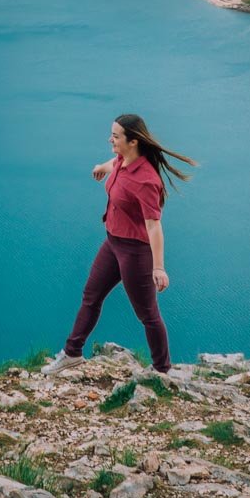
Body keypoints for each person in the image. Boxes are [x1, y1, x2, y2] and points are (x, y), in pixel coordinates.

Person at [41, 113, 196, 375]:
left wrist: (158, 268)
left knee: (147, 314)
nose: (110, 139)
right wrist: (103, 166)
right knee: (91, 297)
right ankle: (72, 353)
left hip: (135, 252)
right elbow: (117, 162)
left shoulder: (147, 180)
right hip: (113, 244)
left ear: (133, 141)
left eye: (115, 136)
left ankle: (162, 371)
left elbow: (154, 226)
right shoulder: (124, 159)